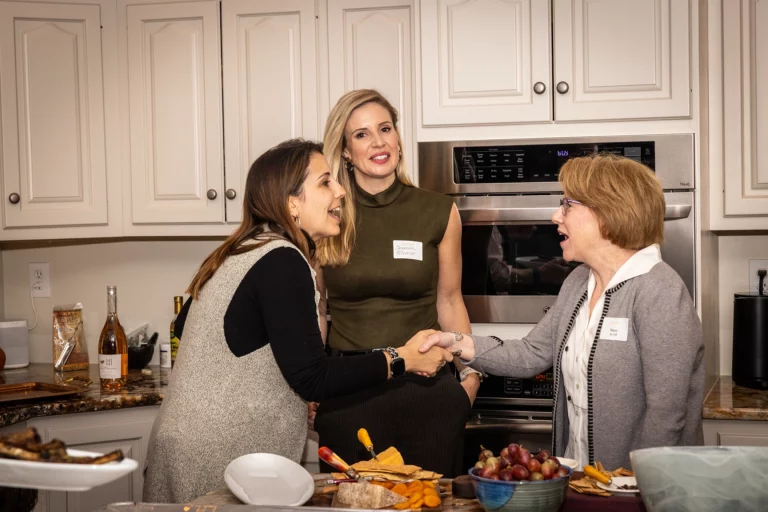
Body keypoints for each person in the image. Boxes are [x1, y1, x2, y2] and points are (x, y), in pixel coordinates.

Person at [143, 139, 453, 503]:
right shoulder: (283, 260)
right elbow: (312, 376)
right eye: (325, 182)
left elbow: (191, 329)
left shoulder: (245, 248)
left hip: (185, 442)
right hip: (218, 455)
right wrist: (403, 359)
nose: (340, 191)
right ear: (292, 203)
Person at [419, 154, 705, 471]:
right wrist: (454, 341)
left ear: (608, 212)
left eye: (567, 205)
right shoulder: (579, 282)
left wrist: (638, 486)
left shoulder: (660, 291)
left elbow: (666, 414)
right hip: (582, 482)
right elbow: (530, 353)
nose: (556, 216)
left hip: (636, 487)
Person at [312, 90, 480, 478]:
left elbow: (450, 301)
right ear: (345, 151)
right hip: (349, 394)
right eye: (362, 134)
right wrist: (310, 384)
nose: (378, 142)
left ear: (398, 138)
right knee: (355, 503)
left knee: (431, 503)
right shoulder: (327, 215)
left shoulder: (438, 210)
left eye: (385, 129)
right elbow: (317, 310)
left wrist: (470, 378)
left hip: (426, 391)